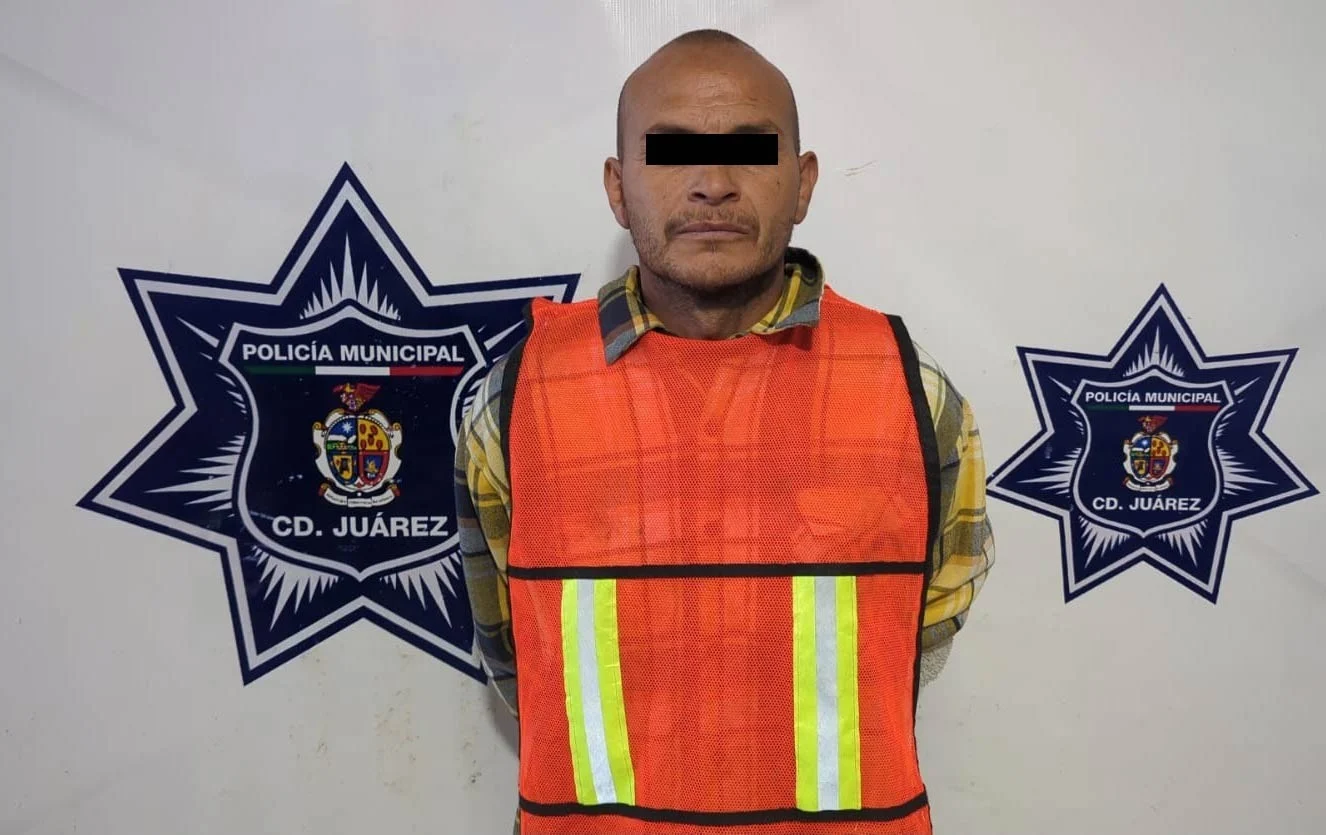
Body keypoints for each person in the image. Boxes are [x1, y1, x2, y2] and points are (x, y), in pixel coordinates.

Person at [455, 28, 995, 835]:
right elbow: (513, 651)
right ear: (618, 187)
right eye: (671, 152)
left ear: (803, 183)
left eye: (750, 149)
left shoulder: (915, 393)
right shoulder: (516, 400)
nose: (712, 184)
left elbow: (921, 631)